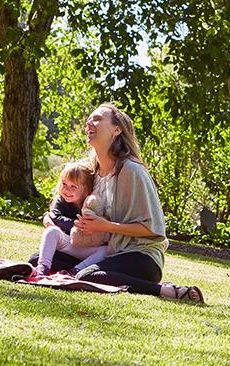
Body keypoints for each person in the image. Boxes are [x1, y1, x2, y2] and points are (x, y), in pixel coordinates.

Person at [66, 102, 204, 303]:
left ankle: (167, 290)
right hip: (109, 252)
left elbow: (153, 229)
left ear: (116, 130)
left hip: (142, 256)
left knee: (87, 277)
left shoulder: (131, 170)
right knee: (38, 258)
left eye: (97, 119)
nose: (89, 122)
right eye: (89, 118)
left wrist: (105, 226)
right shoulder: (93, 172)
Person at [31, 161, 109, 278]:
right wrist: (79, 225)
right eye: (64, 184)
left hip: (87, 249)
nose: (67, 190)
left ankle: (75, 271)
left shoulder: (92, 203)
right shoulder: (60, 201)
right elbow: (55, 217)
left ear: (86, 189)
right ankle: (43, 268)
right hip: (68, 243)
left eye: (73, 187)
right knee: (52, 231)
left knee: (105, 250)